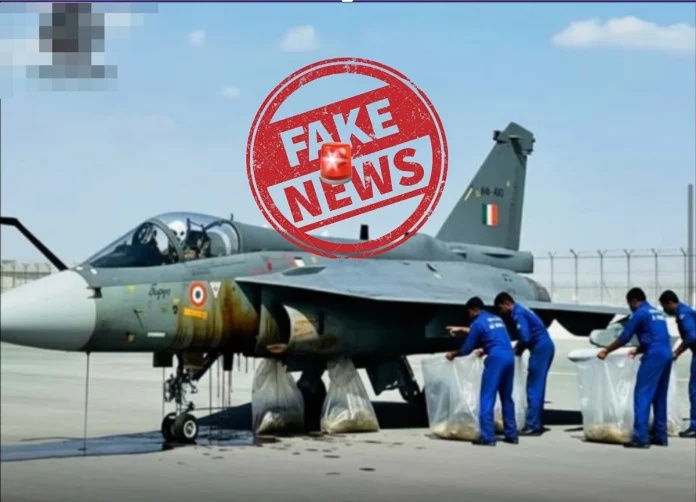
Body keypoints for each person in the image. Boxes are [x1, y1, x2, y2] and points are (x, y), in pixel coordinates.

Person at [598, 287, 673, 448]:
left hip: (654, 355)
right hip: (666, 353)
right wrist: (639, 349)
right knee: (660, 396)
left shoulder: (640, 313)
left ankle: (640, 437)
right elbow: (656, 335)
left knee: (642, 394)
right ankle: (661, 435)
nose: (630, 308)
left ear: (634, 301)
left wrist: (606, 350)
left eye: (630, 304)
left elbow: (624, 337)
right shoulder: (657, 312)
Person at [446, 297, 519, 447]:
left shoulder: (478, 323)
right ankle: (511, 434)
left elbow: (467, 349)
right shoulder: (497, 319)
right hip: (509, 357)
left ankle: (487, 437)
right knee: (506, 397)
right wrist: (485, 349)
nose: (469, 315)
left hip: (496, 359)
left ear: (473, 310)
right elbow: (497, 338)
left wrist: (454, 354)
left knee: (487, 397)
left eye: (469, 312)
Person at [494, 292, 555, 436]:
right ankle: (536, 423)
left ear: (507, 304)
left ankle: (533, 426)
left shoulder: (518, 313)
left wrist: (517, 349)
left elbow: (525, 337)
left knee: (534, 388)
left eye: (501, 309)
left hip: (540, 349)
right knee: (537, 387)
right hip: (544, 347)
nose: (501, 313)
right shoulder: (522, 309)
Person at [658, 289, 696, 438]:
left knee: (694, 391)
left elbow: (691, 337)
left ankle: (695, 426)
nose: (665, 311)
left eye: (665, 307)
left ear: (670, 303)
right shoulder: (686, 311)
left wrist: (676, 353)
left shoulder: (683, 314)